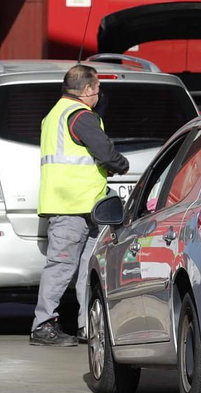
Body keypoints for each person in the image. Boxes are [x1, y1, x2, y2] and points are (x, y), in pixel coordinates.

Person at [31, 65, 129, 347]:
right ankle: (43, 326)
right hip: (72, 206)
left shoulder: (54, 114)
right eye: (97, 89)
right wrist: (121, 165)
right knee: (62, 266)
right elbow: (106, 153)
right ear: (87, 90)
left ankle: (88, 325)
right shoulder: (80, 116)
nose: (99, 95)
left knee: (88, 267)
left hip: (82, 205)